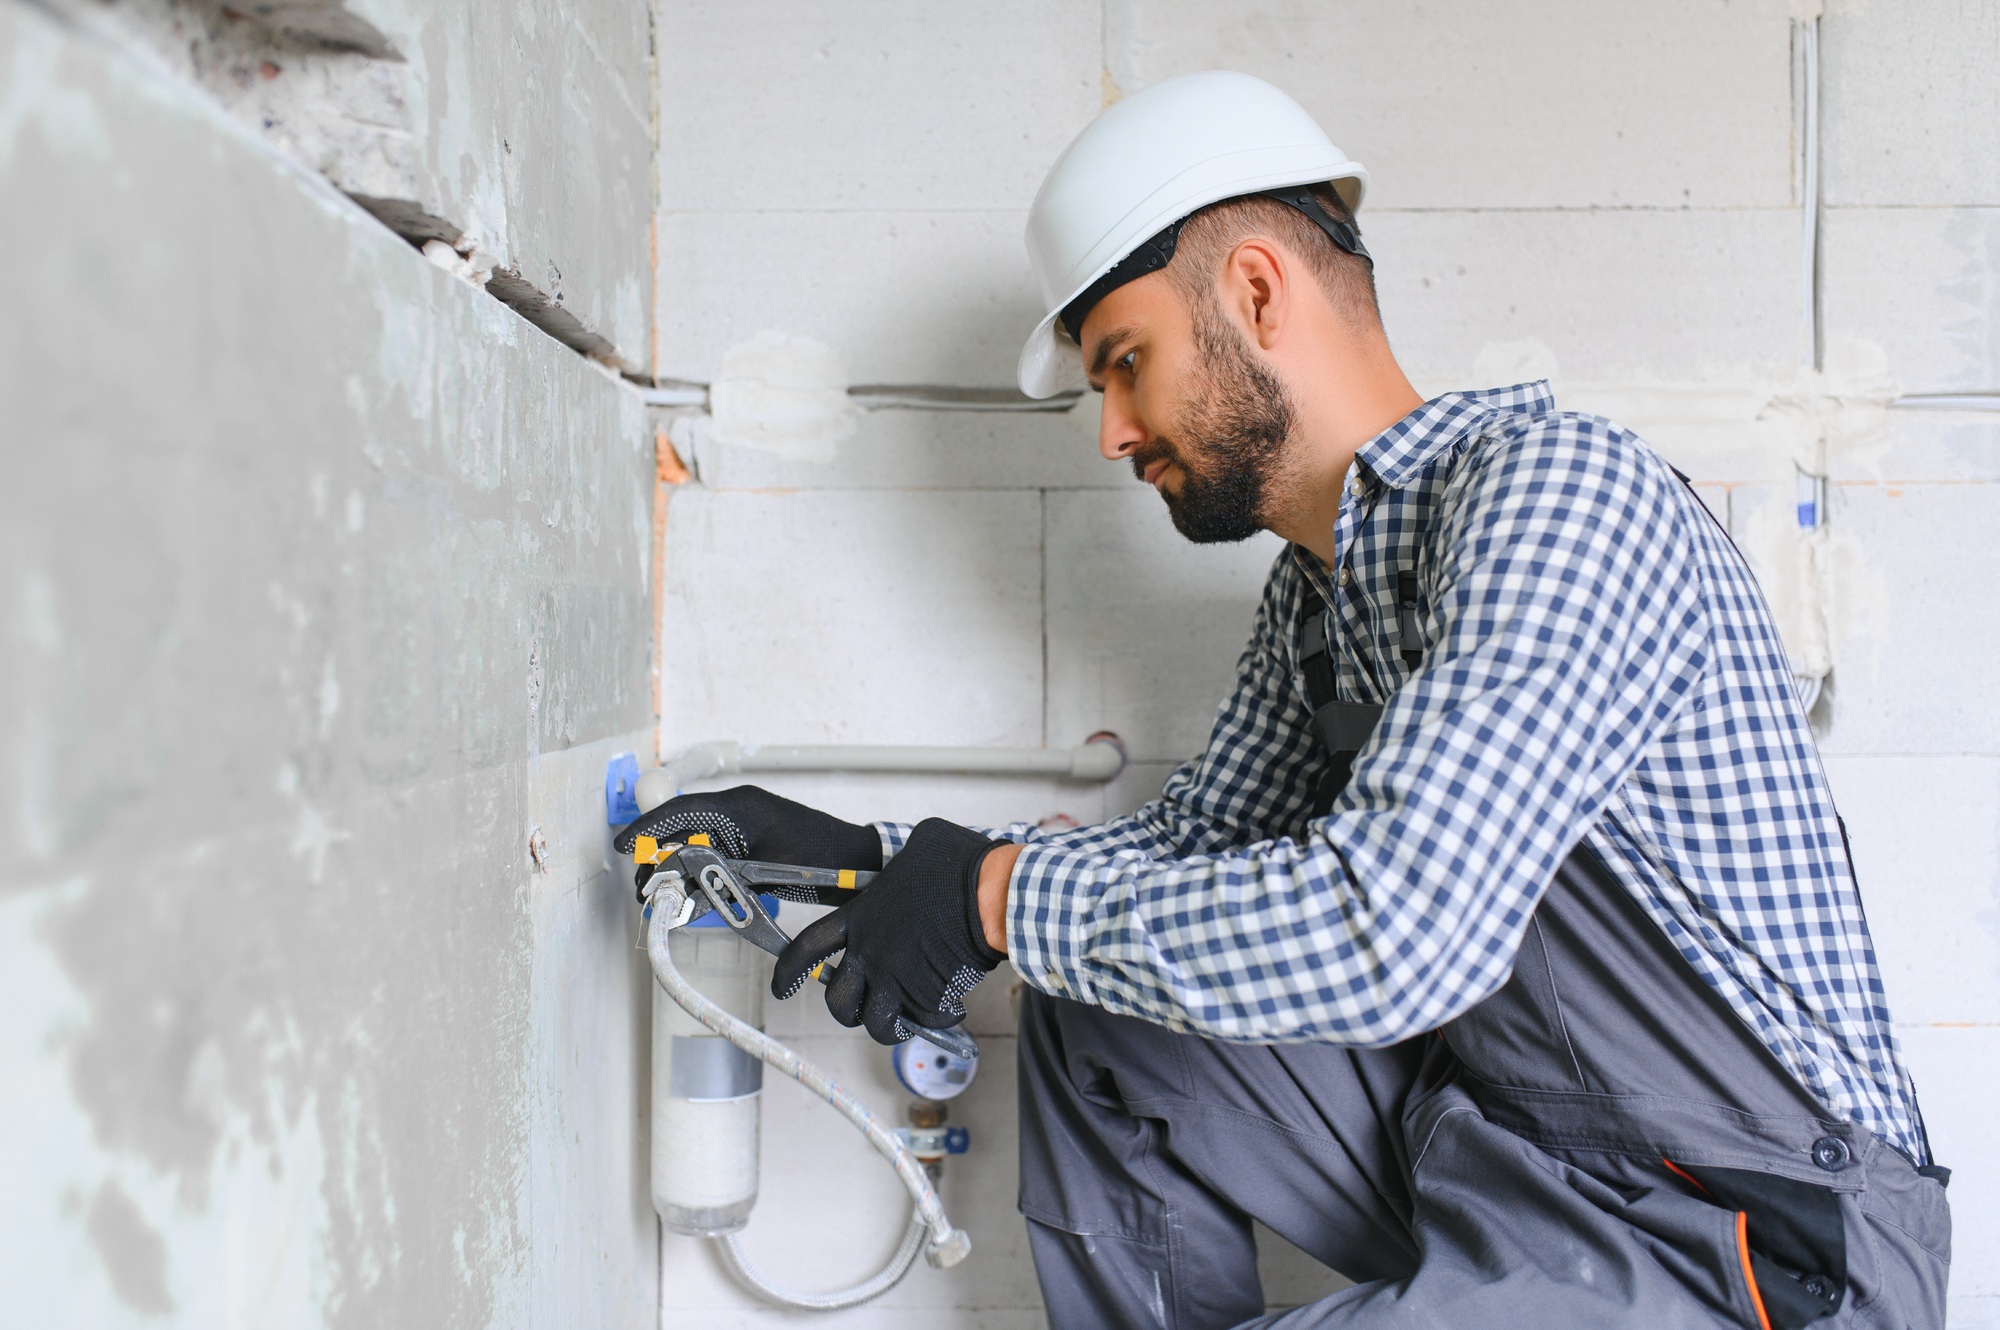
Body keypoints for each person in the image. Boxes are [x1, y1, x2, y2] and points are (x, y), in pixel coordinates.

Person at [620, 72, 1950, 1328]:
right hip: (1531, 1165)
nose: (1114, 433)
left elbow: (1396, 930)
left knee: (1072, 935)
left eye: (1125, 361)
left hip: (1758, 1238)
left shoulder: (1554, 496)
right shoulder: (1322, 595)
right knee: (1102, 1001)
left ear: (1256, 292)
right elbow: (1186, 852)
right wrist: (893, 868)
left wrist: (995, 896)